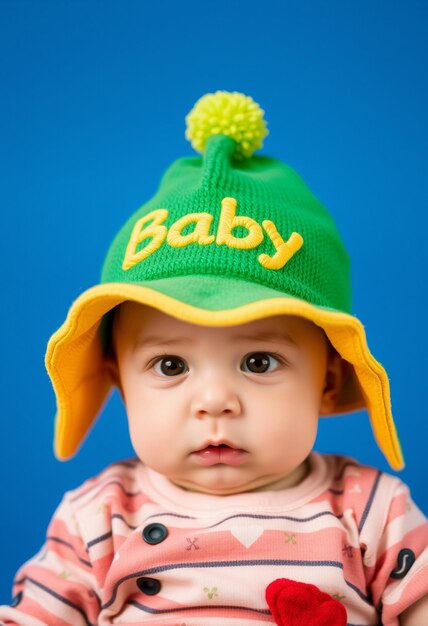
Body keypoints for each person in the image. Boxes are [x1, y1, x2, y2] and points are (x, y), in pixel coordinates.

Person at [1, 91, 426, 626]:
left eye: (259, 362)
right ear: (120, 381)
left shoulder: (374, 512)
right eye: (171, 366)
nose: (216, 401)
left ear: (327, 378)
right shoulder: (99, 517)